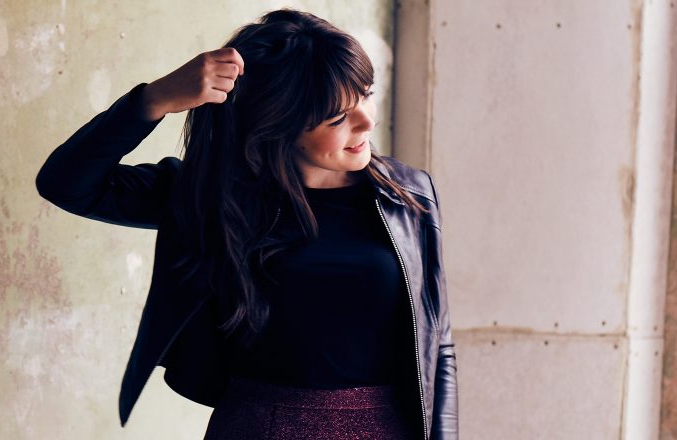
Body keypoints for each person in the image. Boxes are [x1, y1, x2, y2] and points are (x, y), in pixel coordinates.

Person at [36, 8, 457, 440]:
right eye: (337, 118)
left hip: (386, 429)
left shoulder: (408, 194)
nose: (367, 121)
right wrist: (153, 100)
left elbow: (437, 343)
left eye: (366, 95)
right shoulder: (215, 197)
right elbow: (65, 184)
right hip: (259, 427)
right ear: (281, 124)